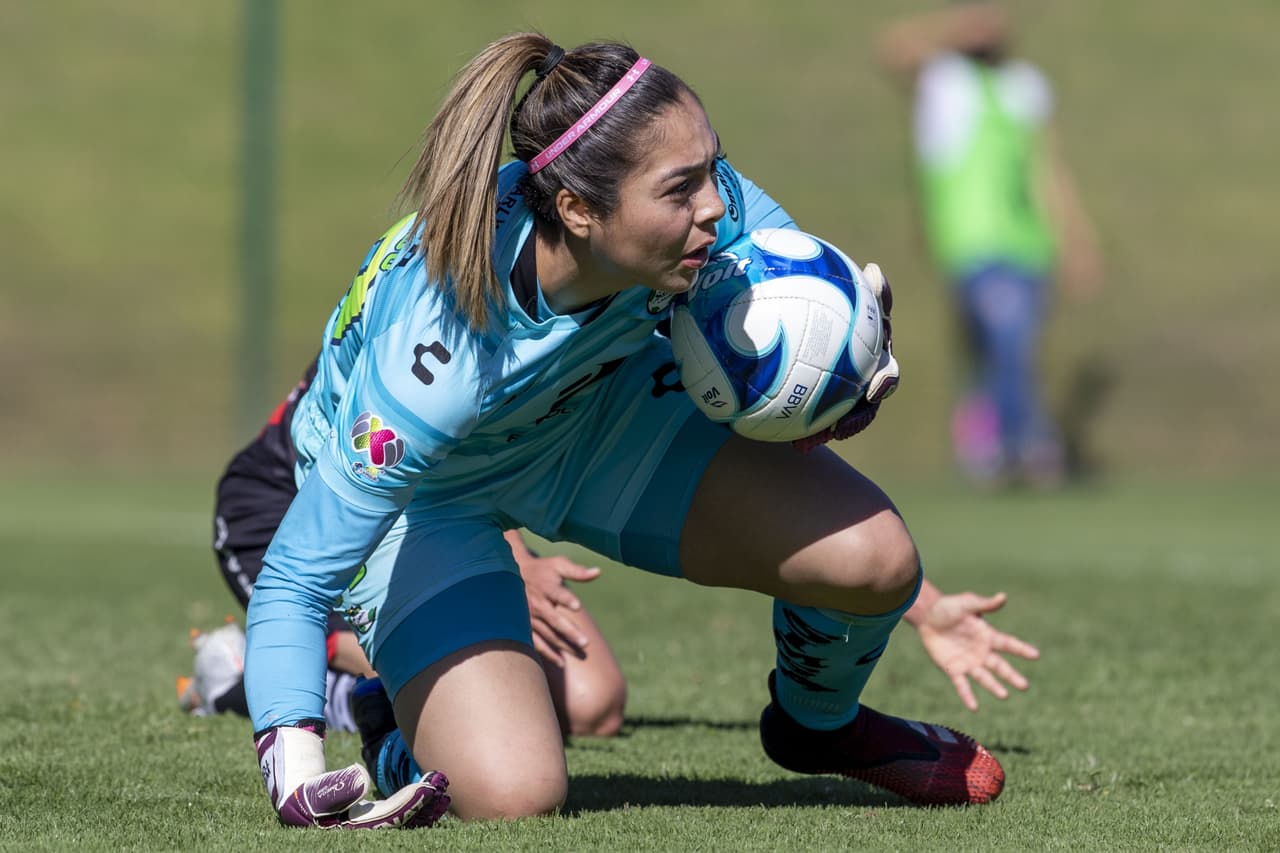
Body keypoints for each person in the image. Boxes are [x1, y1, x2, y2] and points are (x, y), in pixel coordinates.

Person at [241, 32, 1038, 829]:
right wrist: (295, 763)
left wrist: (834, 382)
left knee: (875, 559)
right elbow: (295, 577)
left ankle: (816, 725)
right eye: (681, 187)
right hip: (429, 499)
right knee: (516, 794)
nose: (717, 205)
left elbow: (790, 327)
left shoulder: (704, 217)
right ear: (579, 210)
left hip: (594, 416)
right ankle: (390, 726)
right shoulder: (434, 356)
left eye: (711, 167)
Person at [877, 3, 1104, 488]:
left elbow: (1046, 167)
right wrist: (952, 29)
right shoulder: (944, 80)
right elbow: (893, 49)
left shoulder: (1025, 85)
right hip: (970, 239)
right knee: (1007, 339)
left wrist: (1076, 239)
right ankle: (1032, 448)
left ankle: (985, 447)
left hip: (1028, 243)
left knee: (998, 347)